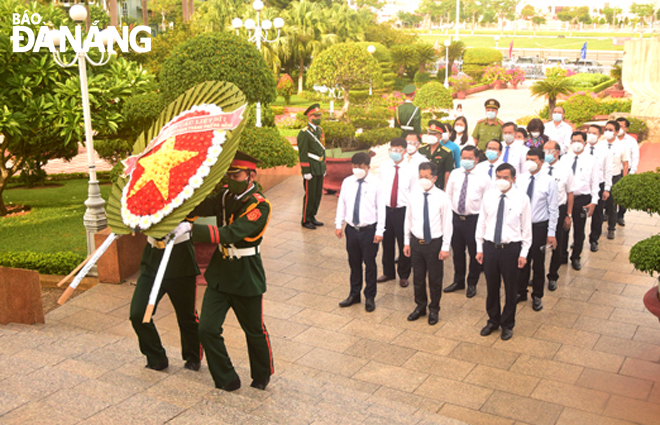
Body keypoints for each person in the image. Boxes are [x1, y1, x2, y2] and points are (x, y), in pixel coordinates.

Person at [189, 152, 273, 392]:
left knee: (254, 330)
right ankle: (226, 378)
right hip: (220, 271)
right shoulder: (226, 195)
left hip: (246, 274)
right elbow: (201, 206)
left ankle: (262, 374)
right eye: (229, 174)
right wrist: (180, 207)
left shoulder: (259, 205)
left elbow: (231, 233)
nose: (231, 179)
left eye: (236, 174)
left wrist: (192, 230)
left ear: (251, 175)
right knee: (206, 328)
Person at [129, 221, 202, 372]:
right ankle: (156, 357)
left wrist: (188, 224)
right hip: (153, 260)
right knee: (138, 313)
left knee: (186, 315)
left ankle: (193, 356)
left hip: (180, 259)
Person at [476, 163, 532, 341]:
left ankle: (507, 324)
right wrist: (480, 247)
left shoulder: (521, 198)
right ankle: (493, 320)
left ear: (513, 179)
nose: (501, 181)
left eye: (505, 178)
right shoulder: (489, 196)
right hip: (491, 247)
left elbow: (526, 228)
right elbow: (482, 223)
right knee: (491, 287)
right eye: (498, 177)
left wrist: (524, 253)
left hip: (511, 249)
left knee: (510, 288)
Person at [403, 162, 453, 326]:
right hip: (417, 242)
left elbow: (447, 223)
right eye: (421, 177)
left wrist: (445, 247)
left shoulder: (442, 197)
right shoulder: (413, 195)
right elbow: (408, 219)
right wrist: (406, 242)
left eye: (427, 177)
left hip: (434, 243)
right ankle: (420, 306)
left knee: (435, 279)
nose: (423, 180)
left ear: (434, 178)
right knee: (418, 277)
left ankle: (434, 309)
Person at [335, 153, 386, 313]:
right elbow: (341, 203)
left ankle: (370, 297)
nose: (357, 170)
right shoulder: (347, 182)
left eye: (360, 167)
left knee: (370, 264)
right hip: (352, 230)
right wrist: (339, 224)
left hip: (369, 231)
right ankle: (354, 294)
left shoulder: (376, 184)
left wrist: (380, 231)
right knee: (353, 263)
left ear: (368, 167)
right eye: (354, 167)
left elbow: (381, 209)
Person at [515, 148, 558, 312]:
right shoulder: (521, 178)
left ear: (541, 161)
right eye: (527, 159)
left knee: (538, 263)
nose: (529, 162)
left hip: (539, 226)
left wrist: (551, 233)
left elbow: (553, 209)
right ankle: (520, 291)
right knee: (521, 260)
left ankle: (537, 295)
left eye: (533, 159)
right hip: (521, 226)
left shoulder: (549, 181)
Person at [444, 145, 490, 298]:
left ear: (476, 160)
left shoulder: (484, 177)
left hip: (474, 220)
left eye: (469, 158)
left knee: (474, 252)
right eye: (463, 158)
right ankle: (458, 281)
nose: (466, 161)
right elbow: (448, 195)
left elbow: (487, 201)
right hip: (456, 218)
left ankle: (472, 283)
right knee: (457, 251)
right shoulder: (455, 174)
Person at [378, 138, 416, 288]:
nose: (394, 153)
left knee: (404, 243)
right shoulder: (384, 166)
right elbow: (380, 188)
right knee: (387, 242)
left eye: (397, 150)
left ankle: (404, 274)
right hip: (387, 209)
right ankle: (388, 272)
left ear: (404, 151)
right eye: (392, 149)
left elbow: (413, 193)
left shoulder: (411, 169)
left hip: (403, 211)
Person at [562, 131, 600, 271]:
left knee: (579, 229)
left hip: (582, 198)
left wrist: (594, 201)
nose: (576, 143)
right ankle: (562, 255)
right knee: (563, 228)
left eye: (579, 140)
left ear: (585, 143)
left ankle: (576, 257)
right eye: (574, 141)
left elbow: (595, 182)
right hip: (566, 198)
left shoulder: (591, 160)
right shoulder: (564, 159)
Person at [543, 141, 574, 291]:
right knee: (538, 245)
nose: (547, 152)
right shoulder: (539, 167)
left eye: (550, 150)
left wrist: (568, 214)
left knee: (557, 244)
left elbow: (570, 193)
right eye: (545, 150)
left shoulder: (565, 169)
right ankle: (536, 274)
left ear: (557, 152)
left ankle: (553, 275)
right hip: (541, 210)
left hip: (559, 210)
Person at [298, 104, 326, 230]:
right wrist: (306, 170)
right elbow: (302, 153)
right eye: (315, 116)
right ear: (309, 118)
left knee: (317, 194)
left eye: (319, 115)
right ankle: (306, 219)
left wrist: (323, 166)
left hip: (319, 166)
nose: (318, 117)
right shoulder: (304, 133)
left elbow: (322, 150)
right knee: (310, 195)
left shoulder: (320, 130)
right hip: (311, 167)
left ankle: (313, 216)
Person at [587, 124, 613, 252]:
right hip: (584, 184)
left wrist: (607, 188)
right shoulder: (582, 148)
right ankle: (577, 241)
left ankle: (594, 239)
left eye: (594, 133)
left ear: (599, 135)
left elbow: (608, 170)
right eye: (589, 132)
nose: (591, 135)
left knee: (597, 213)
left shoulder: (605, 151)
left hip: (599, 183)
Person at [603, 120, 629, 240]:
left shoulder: (622, 146)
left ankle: (611, 228)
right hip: (601, 177)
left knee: (612, 204)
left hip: (614, 177)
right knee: (599, 205)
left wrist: (624, 181)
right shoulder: (600, 145)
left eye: (610, 130)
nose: (607, 132)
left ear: (617, 132)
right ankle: (596, 230)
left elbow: (625, 164)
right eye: (606, 129)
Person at [615, 117, 639, 227]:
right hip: (612, 170)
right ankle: (608, 212)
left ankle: (620, 215)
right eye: (617, 125)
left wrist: (632, 171)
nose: (618, 128)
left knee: (624, 194)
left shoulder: (631, 141)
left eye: (621, 126)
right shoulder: (610, 139)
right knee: (609, 192)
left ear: (626, 128)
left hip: (625, 170)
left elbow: (635, 156)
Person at [419, 120, 454, 190]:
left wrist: (445, 187)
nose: (431, 136)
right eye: (430, 133)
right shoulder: (421, 150)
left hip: (438, 186)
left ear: (440, 136)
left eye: (434, 134)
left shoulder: (446, 152)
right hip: (422, 185)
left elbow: (447, 172)